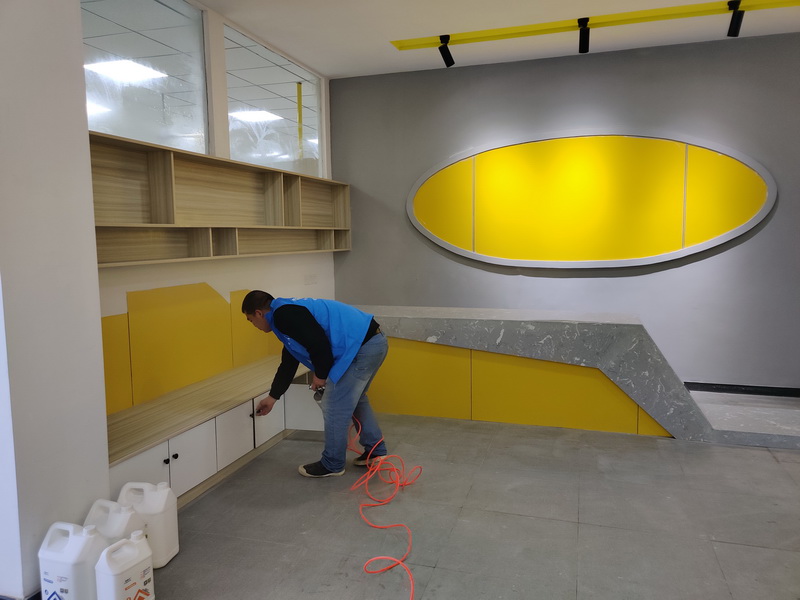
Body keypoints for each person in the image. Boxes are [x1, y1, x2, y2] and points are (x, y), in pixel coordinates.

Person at [242, 290, 389, 478]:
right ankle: (376, 451)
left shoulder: (284, 315)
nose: (254, 325)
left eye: (250, 320)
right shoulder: (285, 313)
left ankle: (333, 464)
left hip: (363, 346)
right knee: (355, 399)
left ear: (259, 313)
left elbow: (319, 345)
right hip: (372, 342)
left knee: (334, 405)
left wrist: (320, 375)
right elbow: (289, 363)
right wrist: (273, 397)